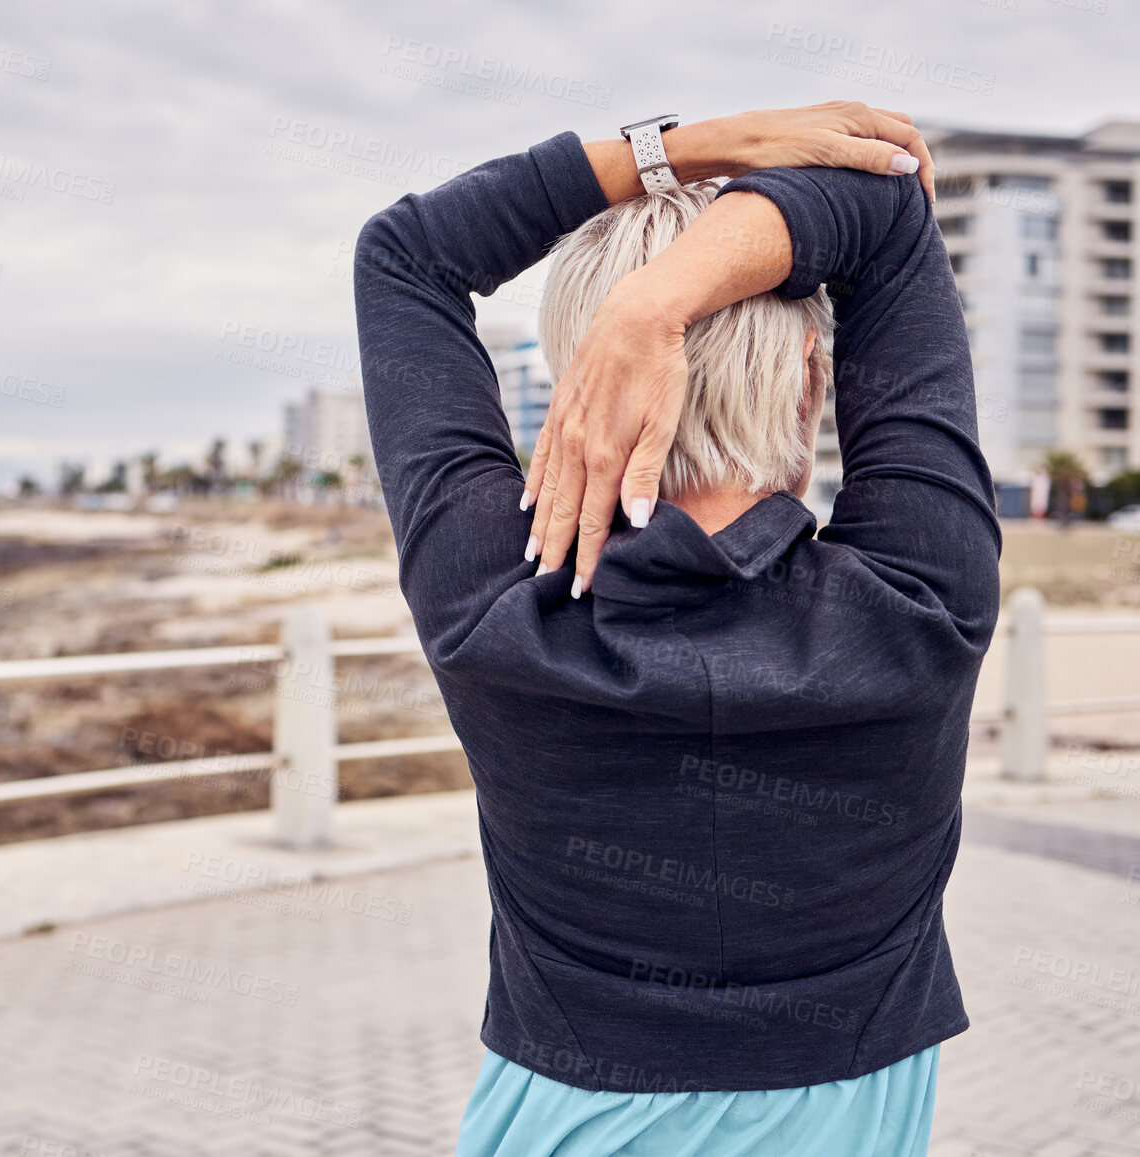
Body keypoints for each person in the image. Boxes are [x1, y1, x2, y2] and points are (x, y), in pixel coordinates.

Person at [353, 103, 999, 1155]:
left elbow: (407, 254)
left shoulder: (490, 607)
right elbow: (887, 208)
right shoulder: (920, 601)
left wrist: (678, 155)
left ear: (584, 392)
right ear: (810, 380)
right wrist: (663, 303)